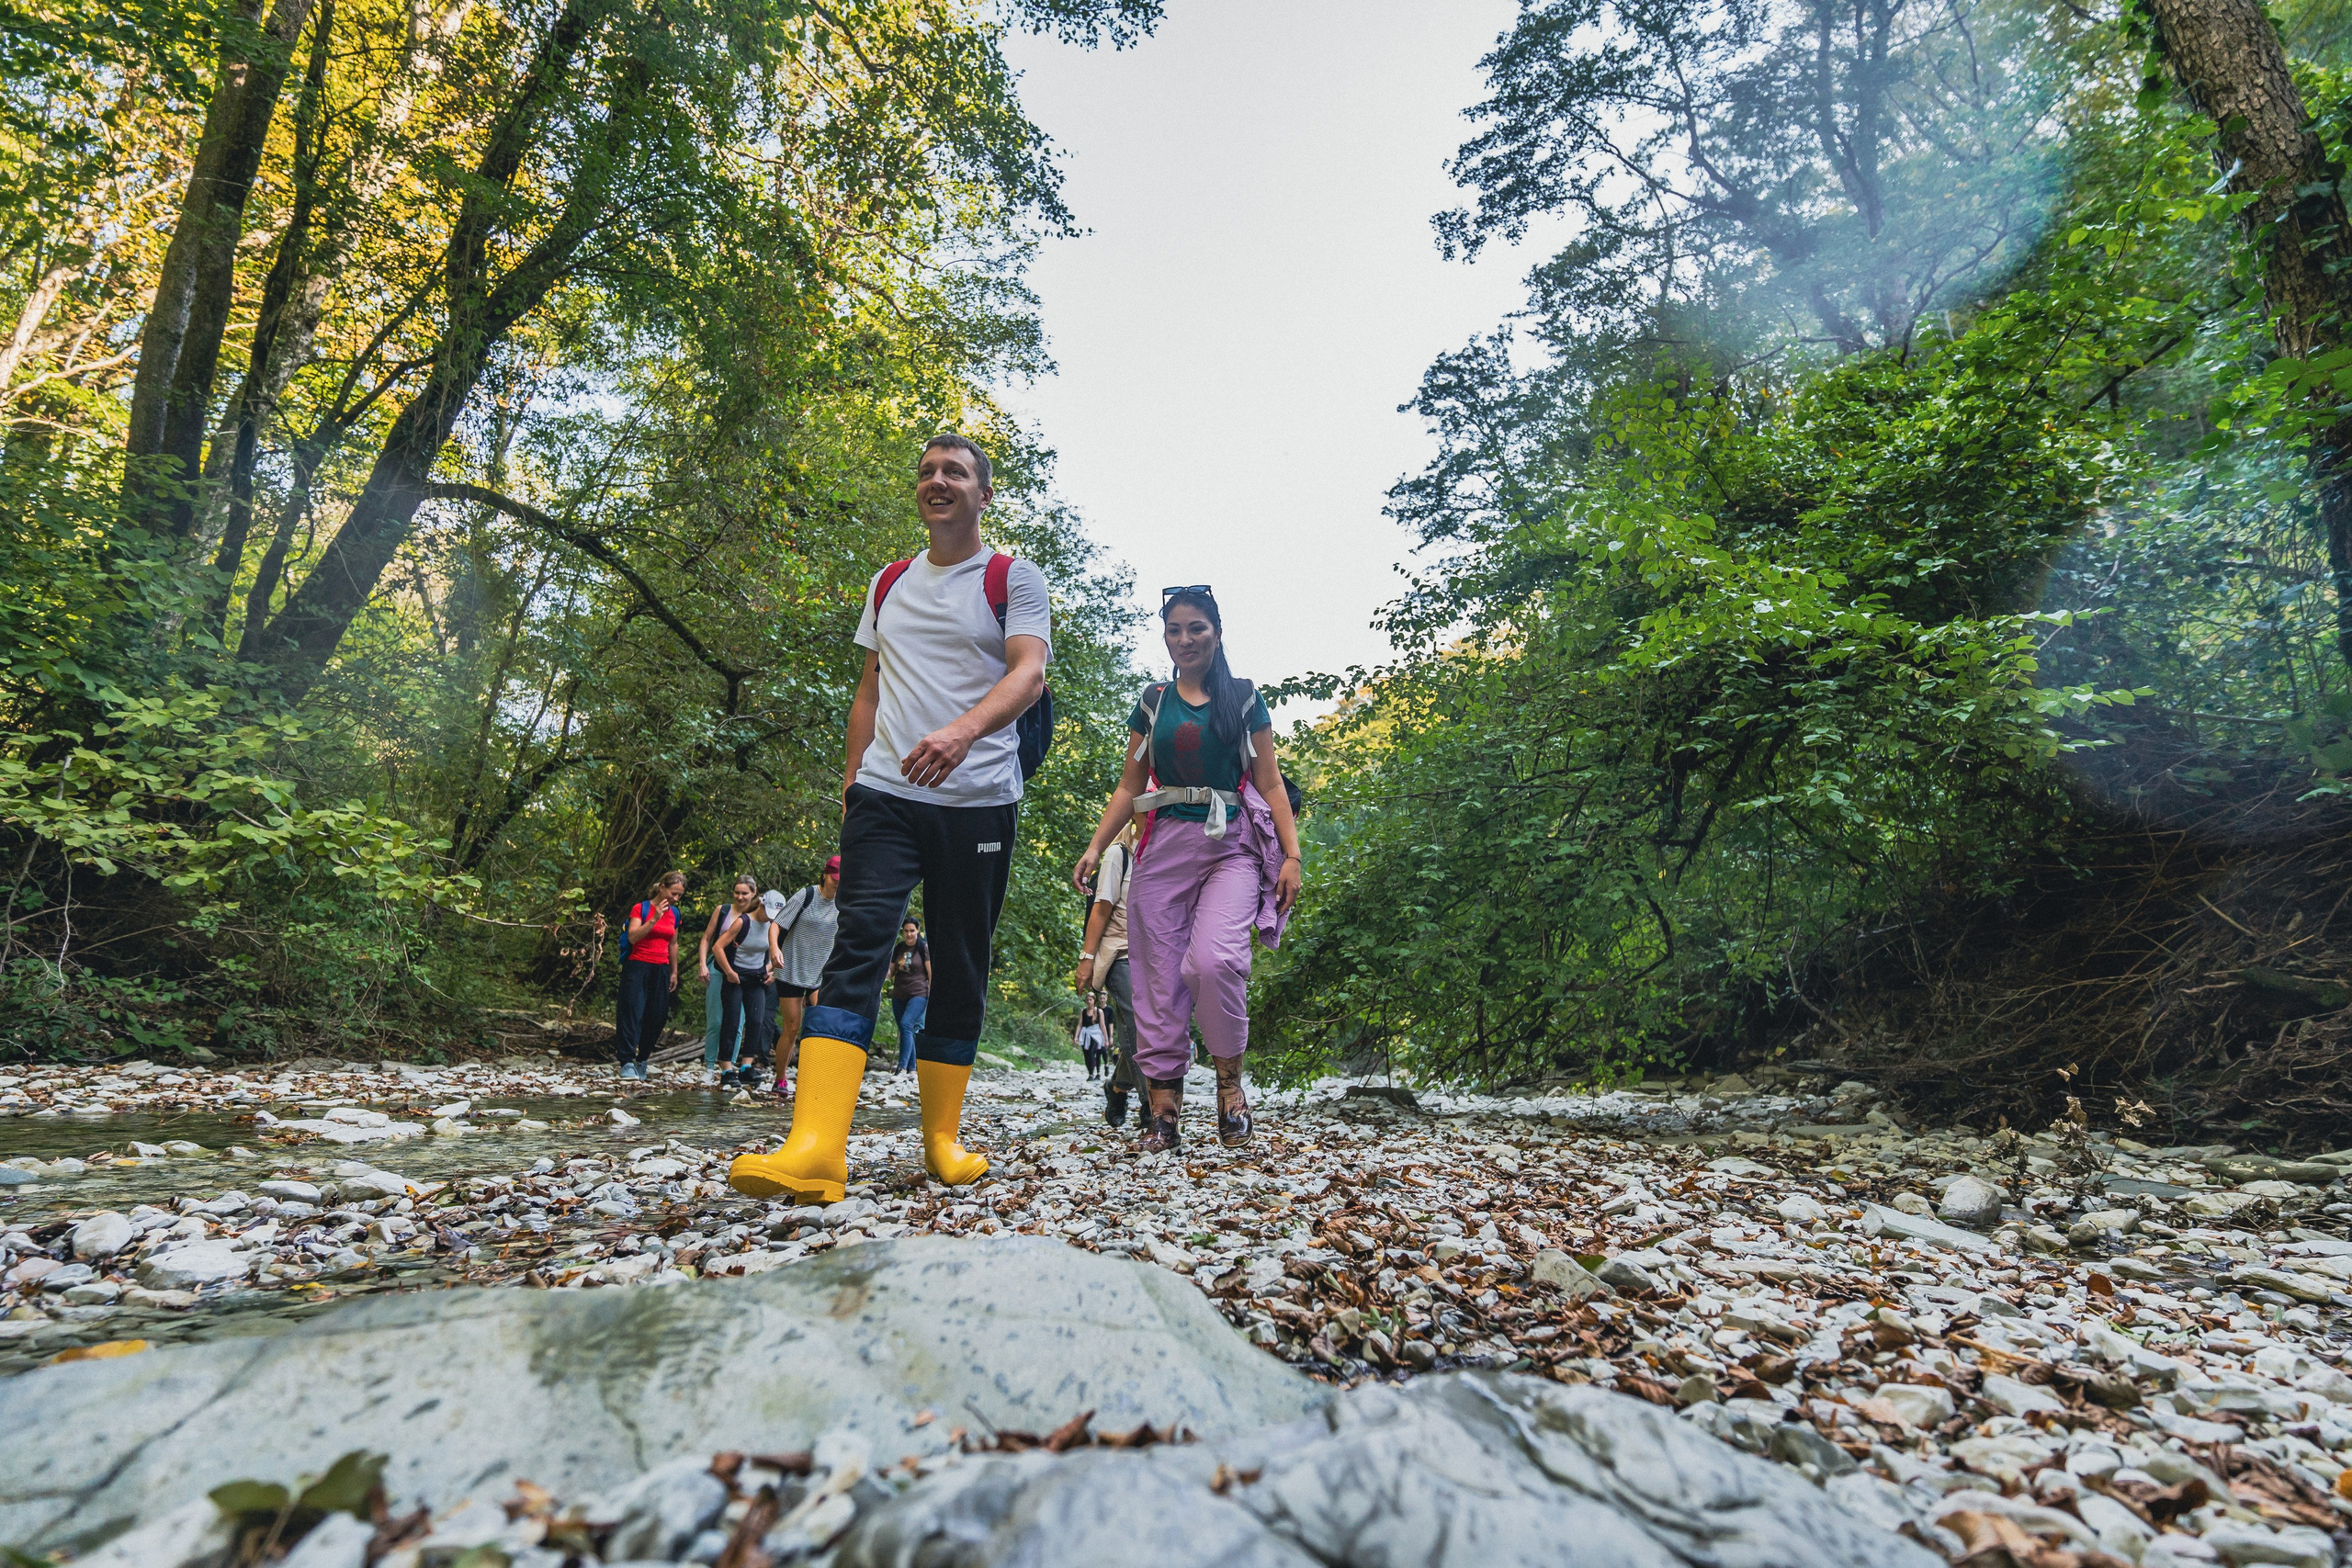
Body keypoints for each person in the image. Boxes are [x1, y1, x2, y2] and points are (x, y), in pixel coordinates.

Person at [730, 434, 1049, 1204]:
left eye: (956, 472)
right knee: (858, 948)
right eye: (928, 471)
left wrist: (963, 732)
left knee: (960, 964)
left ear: (984, 494)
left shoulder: (1013, 577)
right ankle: (816, 1148)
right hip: (886, 795)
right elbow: (869, 690)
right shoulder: (891, 580)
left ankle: (942, 1140)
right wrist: (852, 782)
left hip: (977, 799)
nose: (938, 481)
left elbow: (1030, 673)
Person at [1071, 587, 1301, 1152]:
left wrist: (1292, 856)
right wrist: (1097, 847)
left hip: (1231, 847)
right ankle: (1163, 1113)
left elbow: (1271, 783)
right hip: (1164, 846)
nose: (1185, 639)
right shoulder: (1153, 701)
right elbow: (1130, 785)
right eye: (1174, 630)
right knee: (1157, 979)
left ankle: (1230, 1092)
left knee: (1215, 961)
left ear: (1216, 633)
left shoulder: (1243, 698)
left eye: (1196, 628)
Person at [1073, 818, 1140, 1126]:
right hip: (1120, 952)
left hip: (1156, 956)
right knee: (1137, 1025)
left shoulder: (1169, 849)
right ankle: (1154, 1109)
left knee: (1156, 1030)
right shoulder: (1118, 854)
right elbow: (1100, 909)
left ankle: (1118, 1086)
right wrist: (1087, 959)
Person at [764, 856, 842, 1095]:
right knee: (792, 1027)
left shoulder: (845, 902)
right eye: (834, 877)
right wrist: (774, 949)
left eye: (841, 879)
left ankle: (815, 1077)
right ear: (825, 875)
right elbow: (776, 925)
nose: (837, 882)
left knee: (822, 1023)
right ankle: (780, 1079)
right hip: (792, 968)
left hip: (820, 974)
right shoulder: (806, 895)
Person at [616, 871, 686, 1081]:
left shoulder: (675, 914)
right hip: (637, 966)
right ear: (662, 887)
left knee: (657, 1016)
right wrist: (655, 918)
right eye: (673, 893)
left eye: (679, 895)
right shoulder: (641, 908)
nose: (675, 898)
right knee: (632, 1012)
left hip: (661, 968)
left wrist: (674, 972)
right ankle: (626, 1061)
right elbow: (633, 936)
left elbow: (673, 943)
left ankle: (643, 1059)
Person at [711, 872, 776, 1091]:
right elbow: (717, 947)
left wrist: (771, 971)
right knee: (732, 1021)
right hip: (736, 976)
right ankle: (726, 1068)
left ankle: (747, 1066)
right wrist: (729, 972)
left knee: (756, 1020)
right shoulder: (743, 921)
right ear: (761, 905)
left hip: (757, 977)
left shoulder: (772, 926)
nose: (769, 917)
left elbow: (779, 952)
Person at [697, 892, 746, 1084]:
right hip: (718, 970)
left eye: (745, 893)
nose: (740, 897)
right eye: (737, 892)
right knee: (716, 1021)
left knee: (738, 1024)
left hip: (743, 974)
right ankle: (709, 1066)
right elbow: (706, 939)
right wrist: (703, 964)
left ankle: (729, 1068)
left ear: (753, 894)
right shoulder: (723, 910)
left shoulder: (756, 915)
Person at [889, 919, 932, 1073]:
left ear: (918, 930)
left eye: (912, 931)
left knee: (907, 1025)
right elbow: (890, 973)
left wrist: (932, 994)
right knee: (905, 1030)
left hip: (918, 993)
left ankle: (901, 1067)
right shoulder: (898, 948)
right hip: (899, 994)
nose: (909, 934)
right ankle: (912, 1070)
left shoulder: (923, 948)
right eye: (906, 931)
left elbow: (930, 973)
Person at [1074, 1001, 1106, 1079]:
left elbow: (1102, 1025)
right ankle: (1090, 1072)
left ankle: (1093, 1073)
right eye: (1088, 1000)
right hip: (1086, 1034)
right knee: (1087, 1054)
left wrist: (1106, 1038)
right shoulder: (1083, 1011)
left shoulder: (1099, 1011)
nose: (1089, 1001)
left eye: (1091, 1000)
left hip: (1096, 1034)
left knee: (1093, 1053)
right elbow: (1079, 1024)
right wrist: (1076, 1036)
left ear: (1094, 1000)